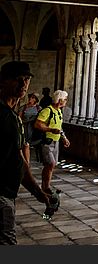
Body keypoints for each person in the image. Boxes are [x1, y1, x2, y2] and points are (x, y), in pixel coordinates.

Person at [0, 61, 59, 245]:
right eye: (18, 79)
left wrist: (38, 193)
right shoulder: (2, 115)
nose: (23, 84)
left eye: (26, 79)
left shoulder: (13, 116)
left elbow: (18, 160)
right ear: (3, 81)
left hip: (8, 193)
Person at [33, 90, 70, 198]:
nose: (66, 101)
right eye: (65, 99)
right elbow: (38, 124)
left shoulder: (58, 111)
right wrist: (50, 129)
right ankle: (45, 187)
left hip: (56, 141)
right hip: (47, 141)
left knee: (51, 165)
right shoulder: (47, 111)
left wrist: (64, 138)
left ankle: (46, 186)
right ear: (60, 100)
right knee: (50, 164)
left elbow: (59, 127)